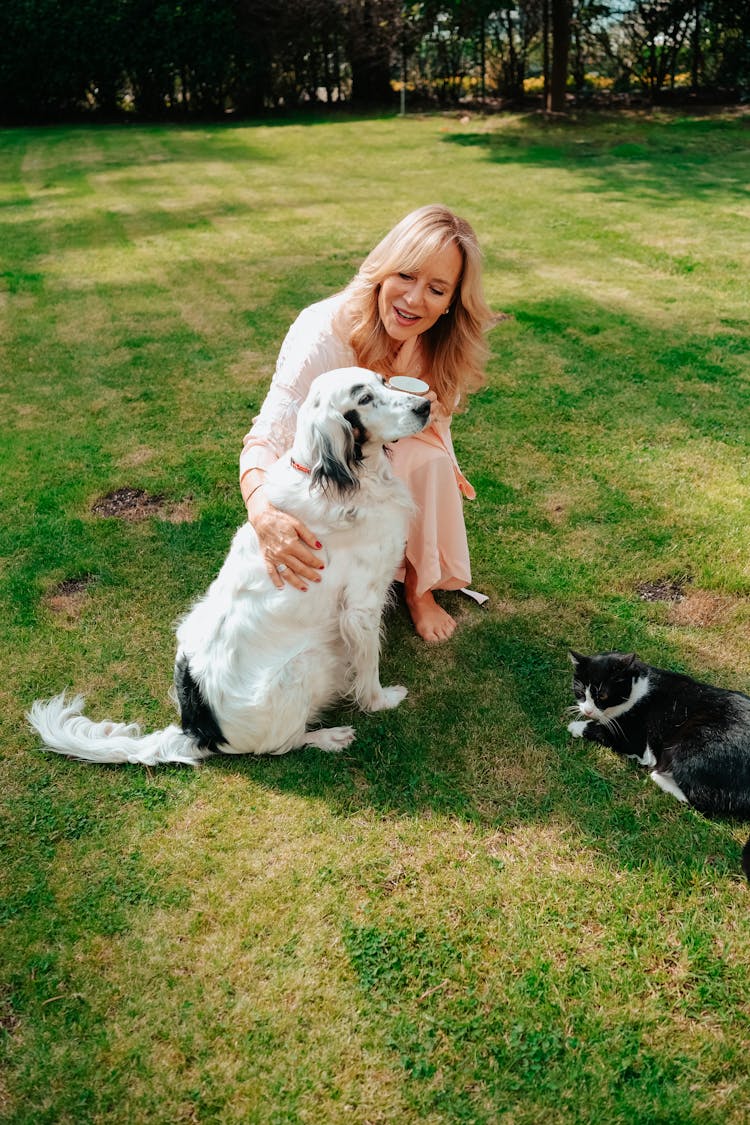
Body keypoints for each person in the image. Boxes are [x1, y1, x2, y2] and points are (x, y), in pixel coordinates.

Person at [239, 203, 495, 642]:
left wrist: (428, 410)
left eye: (437, 289)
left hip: (377, 463)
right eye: (406, 276)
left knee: (428, 457)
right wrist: (264, 516)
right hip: (321, 472)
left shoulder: (439, 340)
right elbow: (266, 436)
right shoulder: (322, 332)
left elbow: (434, 425)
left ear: (453, 302)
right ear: (384, 271)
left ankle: (418, 589)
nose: (415, 300)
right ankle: (347, 563)